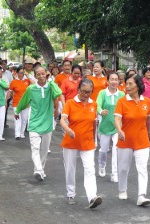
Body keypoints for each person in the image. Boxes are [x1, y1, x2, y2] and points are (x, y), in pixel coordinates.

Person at [60, 78, 102, 208]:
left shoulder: (93, 104)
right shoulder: (70, 103)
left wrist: (95, 140)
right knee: (70, 169)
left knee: (90, 169)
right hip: (71, 142)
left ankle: (92, 197)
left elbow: (94, 123)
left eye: (89, 92)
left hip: (88, 142)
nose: (86, 95)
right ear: (78, 90)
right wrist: (68, 129)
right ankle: (71, 193)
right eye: (84, 92)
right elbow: (62, 120)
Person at [15, 66, 61, 181]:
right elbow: (23, 101)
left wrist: (50, 81)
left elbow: (58, 93)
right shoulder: (31, 89)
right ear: (35, 76)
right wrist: (17, 111)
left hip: (47, 123)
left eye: (43, 73)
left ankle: (40, 170)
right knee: (35, 148)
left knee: (44, 150)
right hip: (34, 123)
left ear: (46, 74)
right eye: (38, 74)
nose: (41, 76)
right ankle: (39, 170)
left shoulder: (51, 87)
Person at [114, 74, 150, 207]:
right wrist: (119, 130)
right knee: (123, 168)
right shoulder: (122, 101)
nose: (127, 86)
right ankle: (122, 189)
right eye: (126, 84)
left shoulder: (146, 101)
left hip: (142, 139)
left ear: (138, 85)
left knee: (142, 168)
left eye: (130, 84)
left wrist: (149, 133)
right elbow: (117, 118)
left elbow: (148, 118)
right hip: (125, 139)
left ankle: (142, 195)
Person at [96, 73, 125, 182]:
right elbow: (97, 105)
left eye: (116, 80)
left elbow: (125, 108)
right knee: (103, 150)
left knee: (116, 149)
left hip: (118, 127)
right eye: (112, 79)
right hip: (105, 126)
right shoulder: (102, 93)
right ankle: (102, 165)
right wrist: (101, 111)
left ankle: (114, 173)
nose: (114, 82)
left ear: (118, 82)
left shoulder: (122, 94)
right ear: (107, 81)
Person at [7, 67, 31, 139]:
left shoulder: (27, 81)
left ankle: (22, 133)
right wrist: (6, 100)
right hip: (16, 103)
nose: (22, 74)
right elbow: (10, 92)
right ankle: (17, 134)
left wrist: (28, 76)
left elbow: (34, 84)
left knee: (24, 119)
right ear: (17, 73)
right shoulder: (13, 82)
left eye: (23, 73)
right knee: (17, 119)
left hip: (25, 103)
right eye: (20, 73)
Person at [0, 59, 13, 128]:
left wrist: (11, 93)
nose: (3, 66)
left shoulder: (9, 73)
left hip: (7, 94)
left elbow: (11, 83)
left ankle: (4, 122)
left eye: (5, 64)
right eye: (2, 64)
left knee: (5, 108)